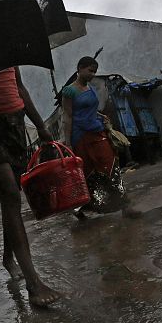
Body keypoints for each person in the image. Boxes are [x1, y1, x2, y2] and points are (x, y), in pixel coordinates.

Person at [0, 67, 61, 307]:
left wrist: (40, 125)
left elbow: (20, 87)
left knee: (12, 197)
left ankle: (8, 257)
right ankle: (33, 283)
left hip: (14, 123)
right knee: (9, 192)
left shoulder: (6, 52)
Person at [60, 57, 127, 219]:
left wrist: (101, 116)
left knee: (110, 165)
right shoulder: (69, 91)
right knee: (88, 172)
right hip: (80, 137)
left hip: (97, 132)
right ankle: (82, 207)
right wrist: (68, 144)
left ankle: (124, 204)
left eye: (95, 71)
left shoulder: (89, 88)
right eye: (90, 70)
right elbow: (67, 116)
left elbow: (89, 109)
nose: (93, 74)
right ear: (80, 68)